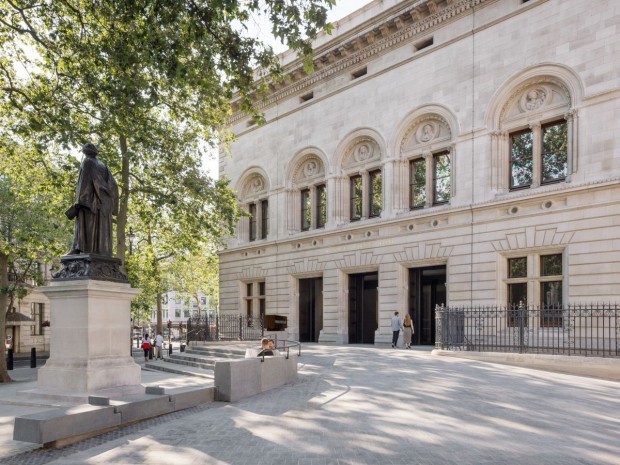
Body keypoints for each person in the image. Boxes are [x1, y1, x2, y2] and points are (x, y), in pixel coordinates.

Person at [65, 143, 119, 256]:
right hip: (104, 203)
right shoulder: (102, 165)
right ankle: (98, 251)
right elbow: (113, 185)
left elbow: (83, 183)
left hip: (90, 202)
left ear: (85, 152)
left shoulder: (87, 162)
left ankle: (78, 248)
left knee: (83, 225)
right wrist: (112, 206)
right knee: (99, 230)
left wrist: (80, 201)